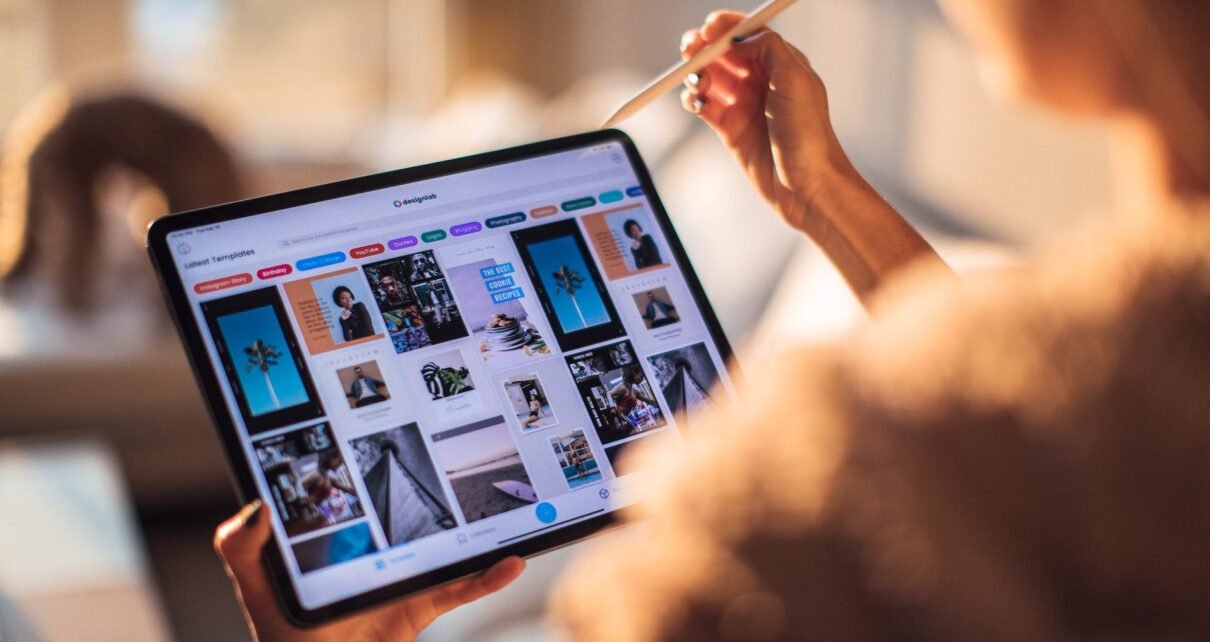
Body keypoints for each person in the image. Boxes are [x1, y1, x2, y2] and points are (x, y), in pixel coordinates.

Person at [218, 1, 1210, 639]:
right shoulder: (1113, 404)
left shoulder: (816, 496)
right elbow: (1026, 418)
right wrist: (821, 196)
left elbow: (991, 440)